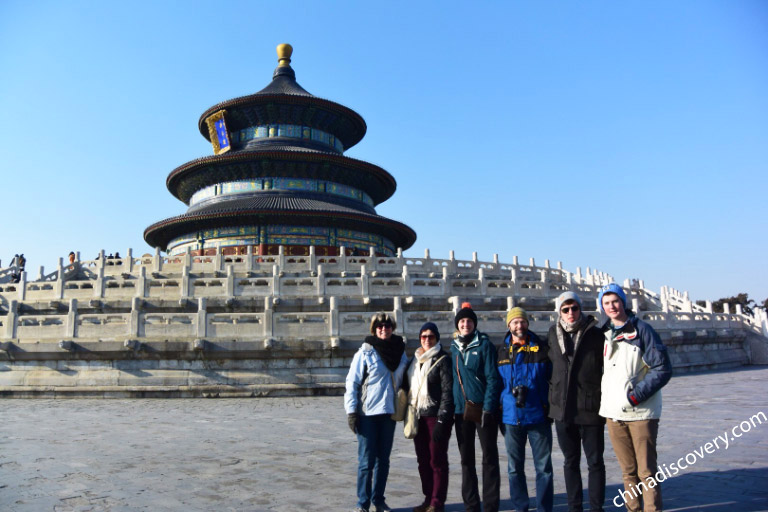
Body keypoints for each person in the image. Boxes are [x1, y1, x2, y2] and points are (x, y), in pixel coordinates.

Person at [598, 284, 672, 512]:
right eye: (606, 302)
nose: (612, 306)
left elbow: (662, 368)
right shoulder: (604, 333)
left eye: (615, 301)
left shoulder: (642, 330)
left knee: (646, 471)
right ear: (602, 306)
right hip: (613, 413)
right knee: (628, 471)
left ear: (624, 302)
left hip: (640, 413)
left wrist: (635, 397)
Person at [548, 292, 606, 512]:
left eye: (574, 308)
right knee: (570, 462)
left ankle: (596, 507)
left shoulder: (596, 334)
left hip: (590, 408)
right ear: (559, 312)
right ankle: (575, 508)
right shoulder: (553, 333)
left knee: (595, 463)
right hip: (563, 411)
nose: (571, 313)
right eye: (566, 309)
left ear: (581, 309)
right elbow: (550, 369)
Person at [344, 312, 408, 512]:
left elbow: (406, 377)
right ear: (374, 329)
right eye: (379, 326)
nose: (384, 329)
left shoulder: (400, 351)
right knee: (366, 461)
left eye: (387, 325)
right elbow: (352, 382)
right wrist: (352, 411)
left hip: (389, 413)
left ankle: (378, 500)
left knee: (384, 461)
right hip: (368, 414)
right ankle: (362, 503)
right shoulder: (365, 352)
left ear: (392, 328)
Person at [498, 307, 554, 512]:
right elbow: (497, 385)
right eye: (515, 322)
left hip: (538, 415)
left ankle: (544, 508)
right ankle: (520, 507)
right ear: (509, 325)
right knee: (514, 469)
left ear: (527, 324)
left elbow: (554, 378)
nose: (519, 325)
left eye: (522, 321)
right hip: (512, 418)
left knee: (544, 469)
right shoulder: (502, 351)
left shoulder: (542, 348)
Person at [451, 303, 501, 512]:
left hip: (482, 409)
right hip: (460, 411)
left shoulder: (484, 346)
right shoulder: (453, 347)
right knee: (466, 460)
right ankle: (471, 505)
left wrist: (489, 408)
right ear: (457, 325)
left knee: (489, 457)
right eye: (462, 321)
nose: (465, 324)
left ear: (474, 324)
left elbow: (493, 378)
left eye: (469, 321)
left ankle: (490, 505)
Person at [404, 322, 454, 512]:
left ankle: (437, 502)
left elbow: (448, 392)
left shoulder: (442, 360)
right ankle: (427, 498)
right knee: (423, 460)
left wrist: (443, 419)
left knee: (437, 460)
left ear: (437, 338)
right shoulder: (415, 361)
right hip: (418, 416)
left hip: (436, 417)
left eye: (431, 336)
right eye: (423, 336)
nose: (427, 340)